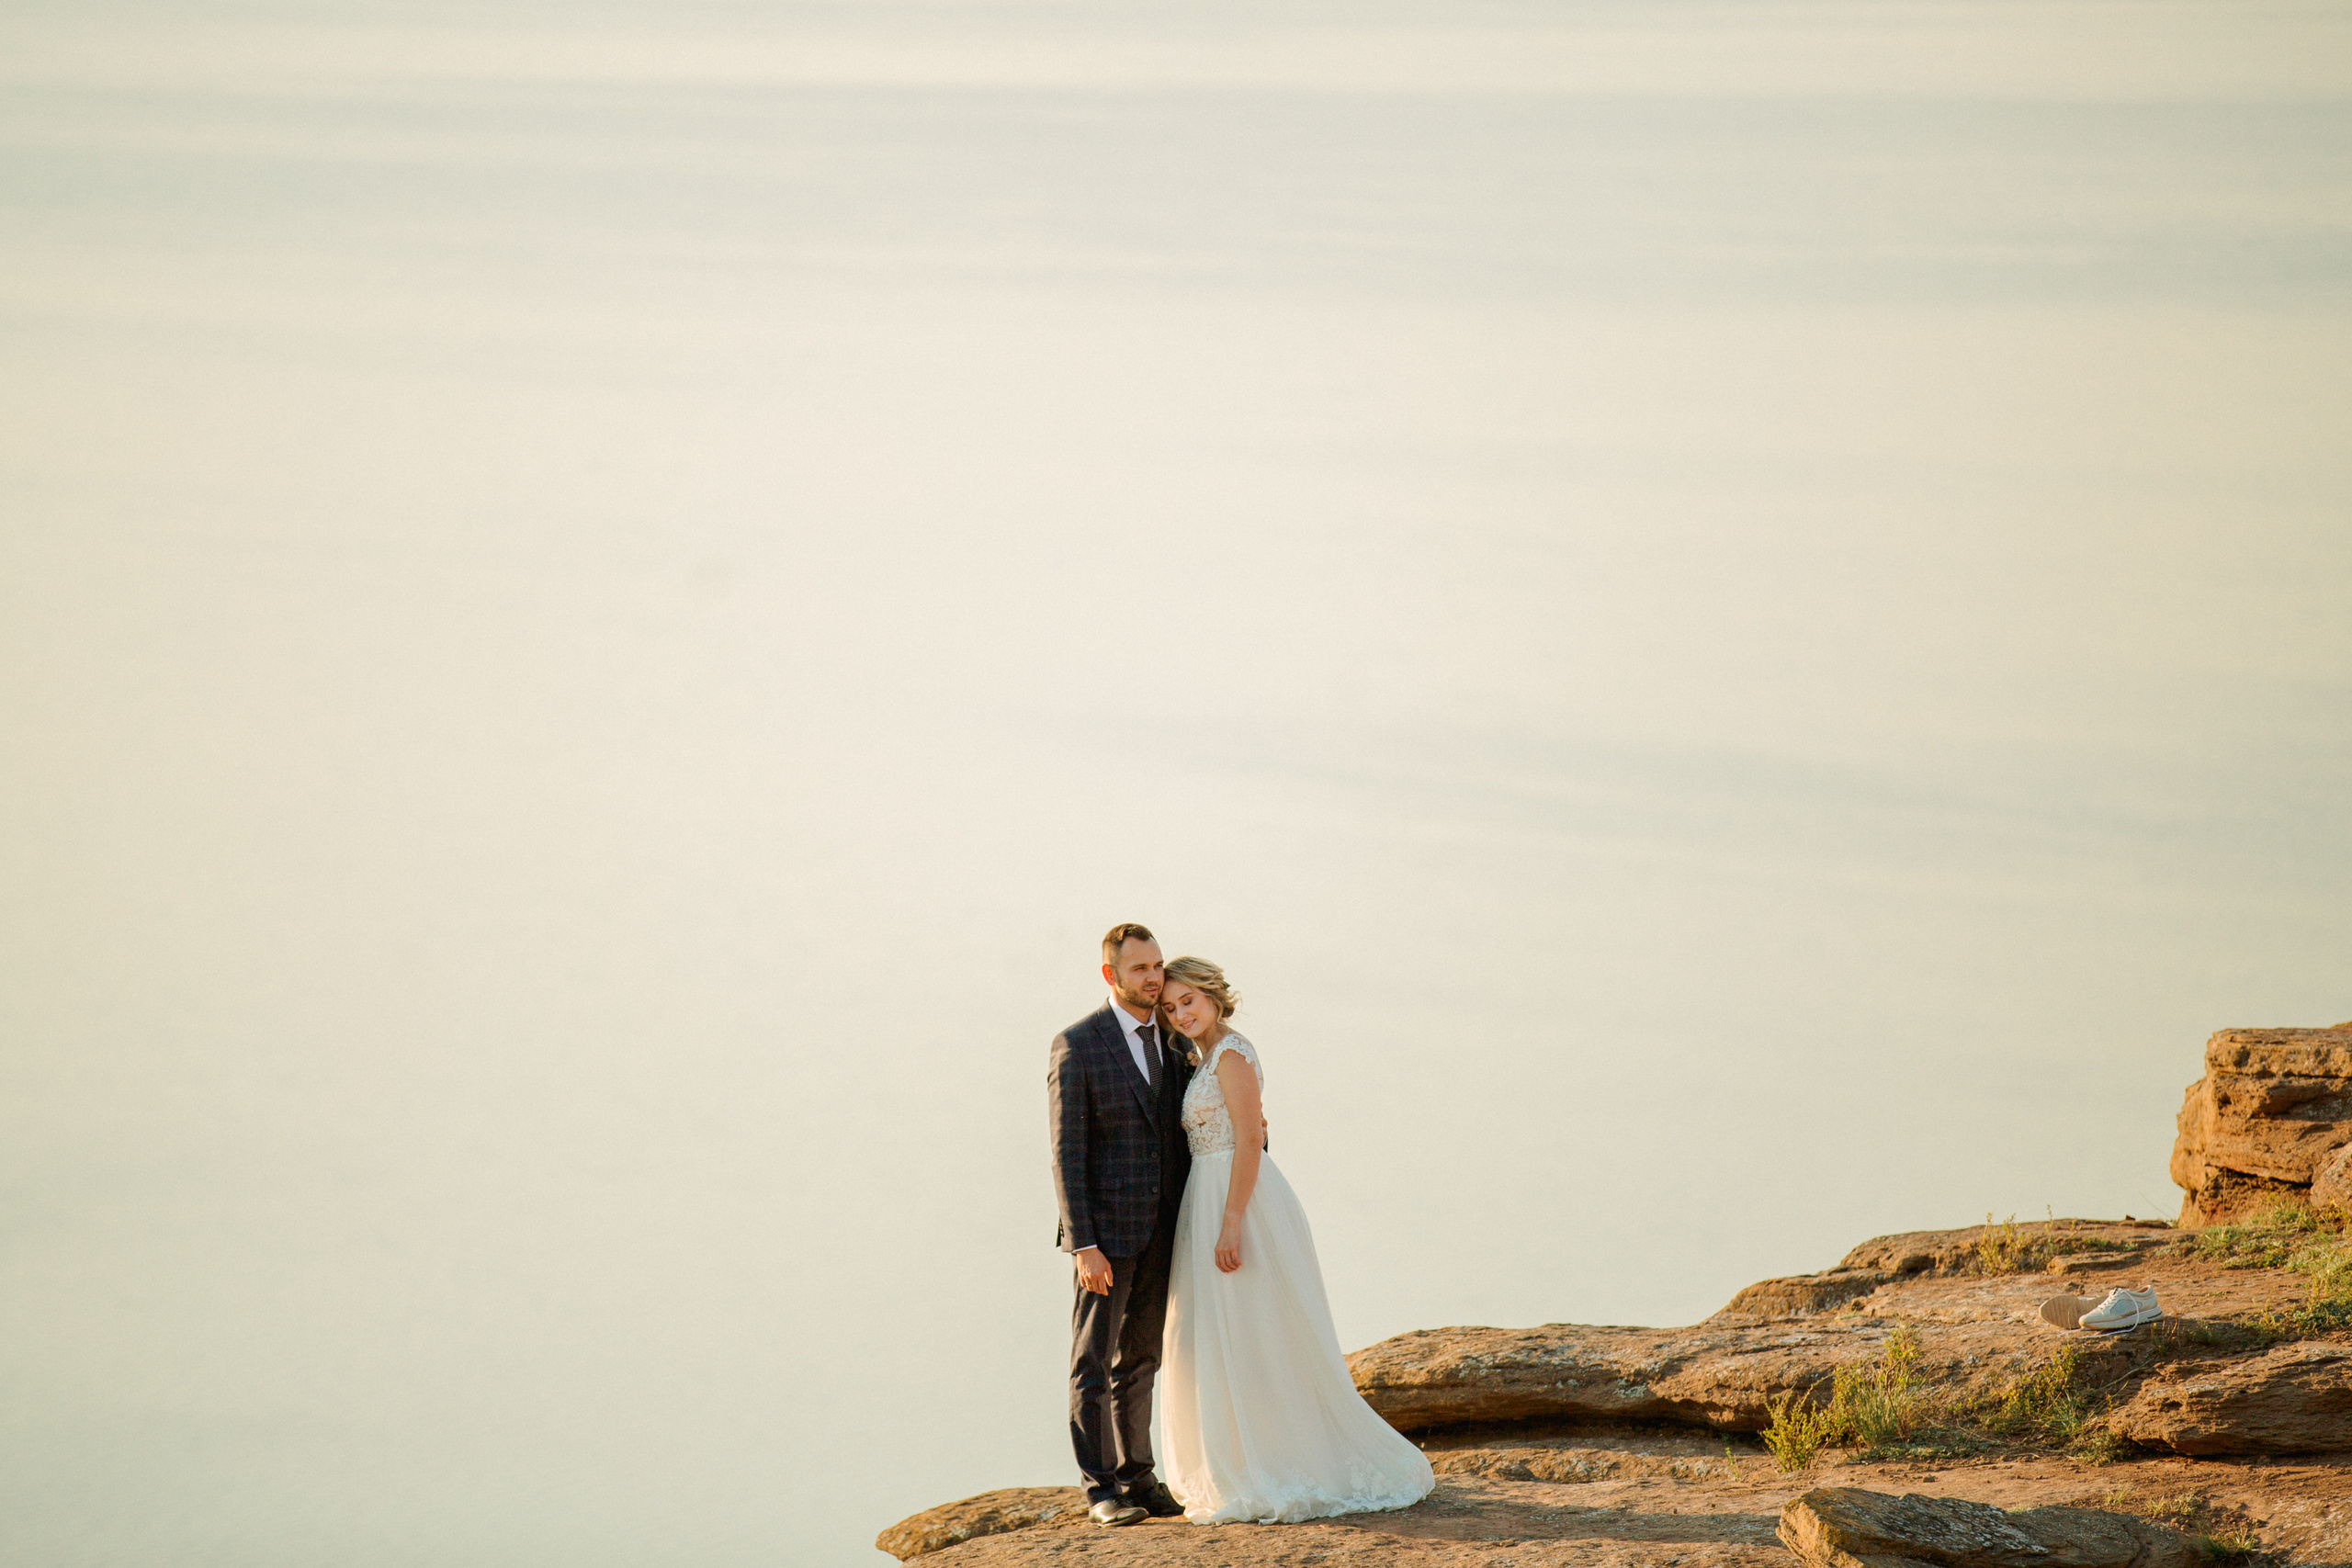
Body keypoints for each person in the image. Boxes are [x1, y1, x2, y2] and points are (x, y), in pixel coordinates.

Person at [1154, 955, 1435, 1524]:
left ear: (1213, 997)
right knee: (1220, 1331)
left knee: (1256, 1328)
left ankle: (1280, 1460)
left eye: (1189, 1001)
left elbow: (1251, 1139)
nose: (1180, 1013)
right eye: (1170, 1006)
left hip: (1238, 1200)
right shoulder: (1201, 1056)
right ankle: (1243, 1455)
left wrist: (1231, 1222)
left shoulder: (1232, 1055)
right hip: (1206, 1197)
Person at [1046, 923, 1193, 1527]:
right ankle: (1102, 1489)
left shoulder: (1177, 1037)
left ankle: (1140, 1476)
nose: (1154, 977)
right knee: (1092, 1362)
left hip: (1165, 1229)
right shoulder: (1077, 1044)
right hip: (1104, 1237)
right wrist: (1084, 1242)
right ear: (1111, 974)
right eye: (1140, 968)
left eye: (1157, 965)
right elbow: (1065, 1152)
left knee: (1142, 1359)